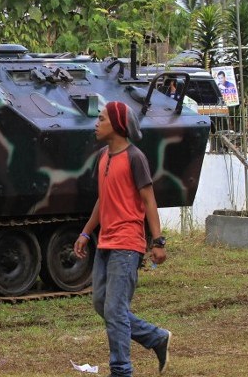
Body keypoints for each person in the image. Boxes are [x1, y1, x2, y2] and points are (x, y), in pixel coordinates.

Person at [73, 101, 171, 377]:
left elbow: (149, 200)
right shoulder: (104, 156)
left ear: (117, 125)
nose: (96, 123)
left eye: (101, 118)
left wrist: (157, 241)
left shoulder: (134, 157)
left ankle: (121, 371)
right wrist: (85, 232)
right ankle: (155, 338)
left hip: (127, 245)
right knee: (101, 304)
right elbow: (103, 200)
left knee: (115, 310)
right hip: (105, 241)